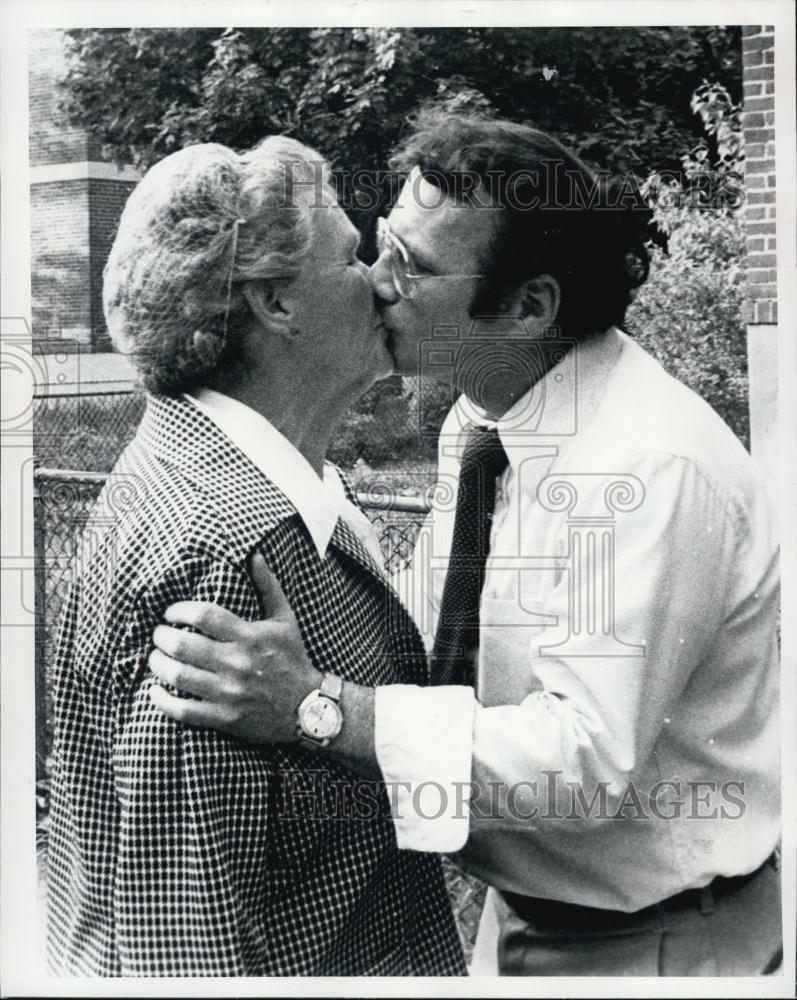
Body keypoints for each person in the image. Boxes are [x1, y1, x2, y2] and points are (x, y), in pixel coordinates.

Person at [149, 111, 782, 976]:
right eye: (381, 245)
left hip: (652, 944)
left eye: (411, 267)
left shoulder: (641, 472)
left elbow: (580, 763)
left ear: (527, 307)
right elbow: (433, 628)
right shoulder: (485, 421)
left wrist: (316, 707)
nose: (373, 281)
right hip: (524, 919)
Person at [45, 136, 466, 977]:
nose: (384, 281)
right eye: (352, 256)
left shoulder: (245, 481)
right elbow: (183, 939)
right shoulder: (223, 554)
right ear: (277, 301)